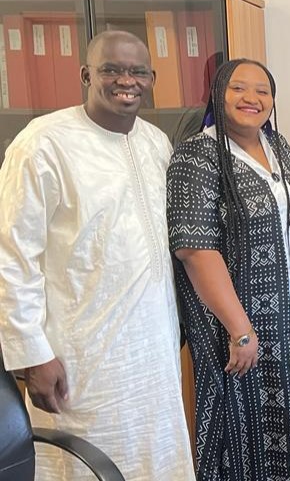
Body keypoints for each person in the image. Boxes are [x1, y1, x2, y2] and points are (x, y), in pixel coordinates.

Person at [0, 30, 194, 479]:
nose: (125, 80)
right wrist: (32, 353)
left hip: (152, 351)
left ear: (151, 78)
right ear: (87, 74)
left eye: (137, 71)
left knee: (155, 459)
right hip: (79, 355)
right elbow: (12, 256)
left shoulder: (154, 143)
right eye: (111, 69)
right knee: (84, 463)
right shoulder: (43, 143)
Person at [167, 58, 290, 480]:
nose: (251, 98)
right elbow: (195, 249)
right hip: (239, 332)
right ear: (218, 94)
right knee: (241, 432)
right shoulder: (197, 156)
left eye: (262, 90)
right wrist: (240, 328)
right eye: (238, 88)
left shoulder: (281, 150)